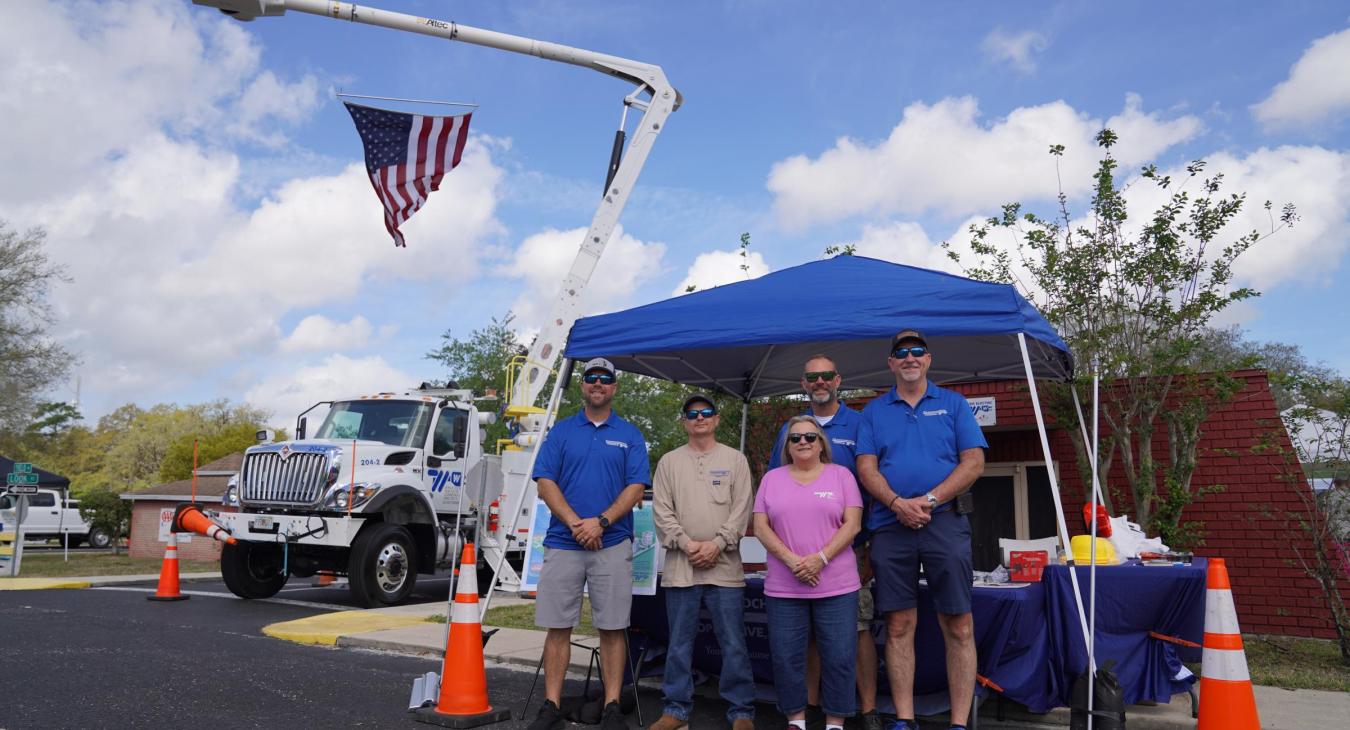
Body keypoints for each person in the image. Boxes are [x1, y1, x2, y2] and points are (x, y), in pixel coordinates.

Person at [855, 331, 987, 730]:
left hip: (944, 520)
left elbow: (974, 462)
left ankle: (959, 723)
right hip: (890, 526)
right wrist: (897, 504)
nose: (909, 358)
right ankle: (905, 719)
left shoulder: (954, 404)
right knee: (898, 624)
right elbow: (866, 467)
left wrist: (928, 500)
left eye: (917, 352)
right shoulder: (875, 412)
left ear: (928, 360)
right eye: (901, 353)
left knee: (959, 623)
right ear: (891, 363)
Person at [529, 358, 651, 730]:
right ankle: (551, 704)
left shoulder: (630, 435)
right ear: (583, 386)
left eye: (606, 379)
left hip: (611, 542)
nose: (598, 383)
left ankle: (613, 705)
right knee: (558, 626)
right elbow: (545, 480)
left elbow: (636, 487)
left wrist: (599, 523)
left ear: (615, 387)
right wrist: (576, 524)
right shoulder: (562, 432)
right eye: (591, 378)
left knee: (613, 628)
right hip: (564, 543)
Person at [767, 355, 883, 730]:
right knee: (800, 649)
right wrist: (795, 559)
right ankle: (805, 712)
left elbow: (868, 485)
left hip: (848, 554)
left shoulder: (860, 423)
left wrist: (843, 552)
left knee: (850, 641)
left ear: (838, 379)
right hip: (791, 568)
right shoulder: (789, 431)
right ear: (804, 383)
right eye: (812, 377)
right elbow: (769, 506)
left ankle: (863, 711)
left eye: (826, 376)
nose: (820, 382)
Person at [649, 394, 756, 730]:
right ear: (684, 421)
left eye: (706, 413)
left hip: (724, 568)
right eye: (692, 414)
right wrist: (687, 543)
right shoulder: (668, 462)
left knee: (733, 643)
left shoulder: (735, 460)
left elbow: (743, 508)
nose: (699, 418)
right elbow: (661, 511)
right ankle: (676, 710)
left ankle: (741, 711)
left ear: (717, 419)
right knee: (679, 643)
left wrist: (718, 543)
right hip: (682, 568)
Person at [754, 415, 863, 730]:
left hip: (837, 586)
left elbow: (853, 524)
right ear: (786, 446)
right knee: (787, 657)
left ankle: (835, 722)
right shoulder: (771, 479)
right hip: (785, 587)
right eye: (795, 437)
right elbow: (761, 527)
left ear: (821, 444)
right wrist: (792, 561)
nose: (803, 442)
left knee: (840, 657)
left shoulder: (841, 476)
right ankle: (796, 720)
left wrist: (820, 559)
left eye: (810, 437)